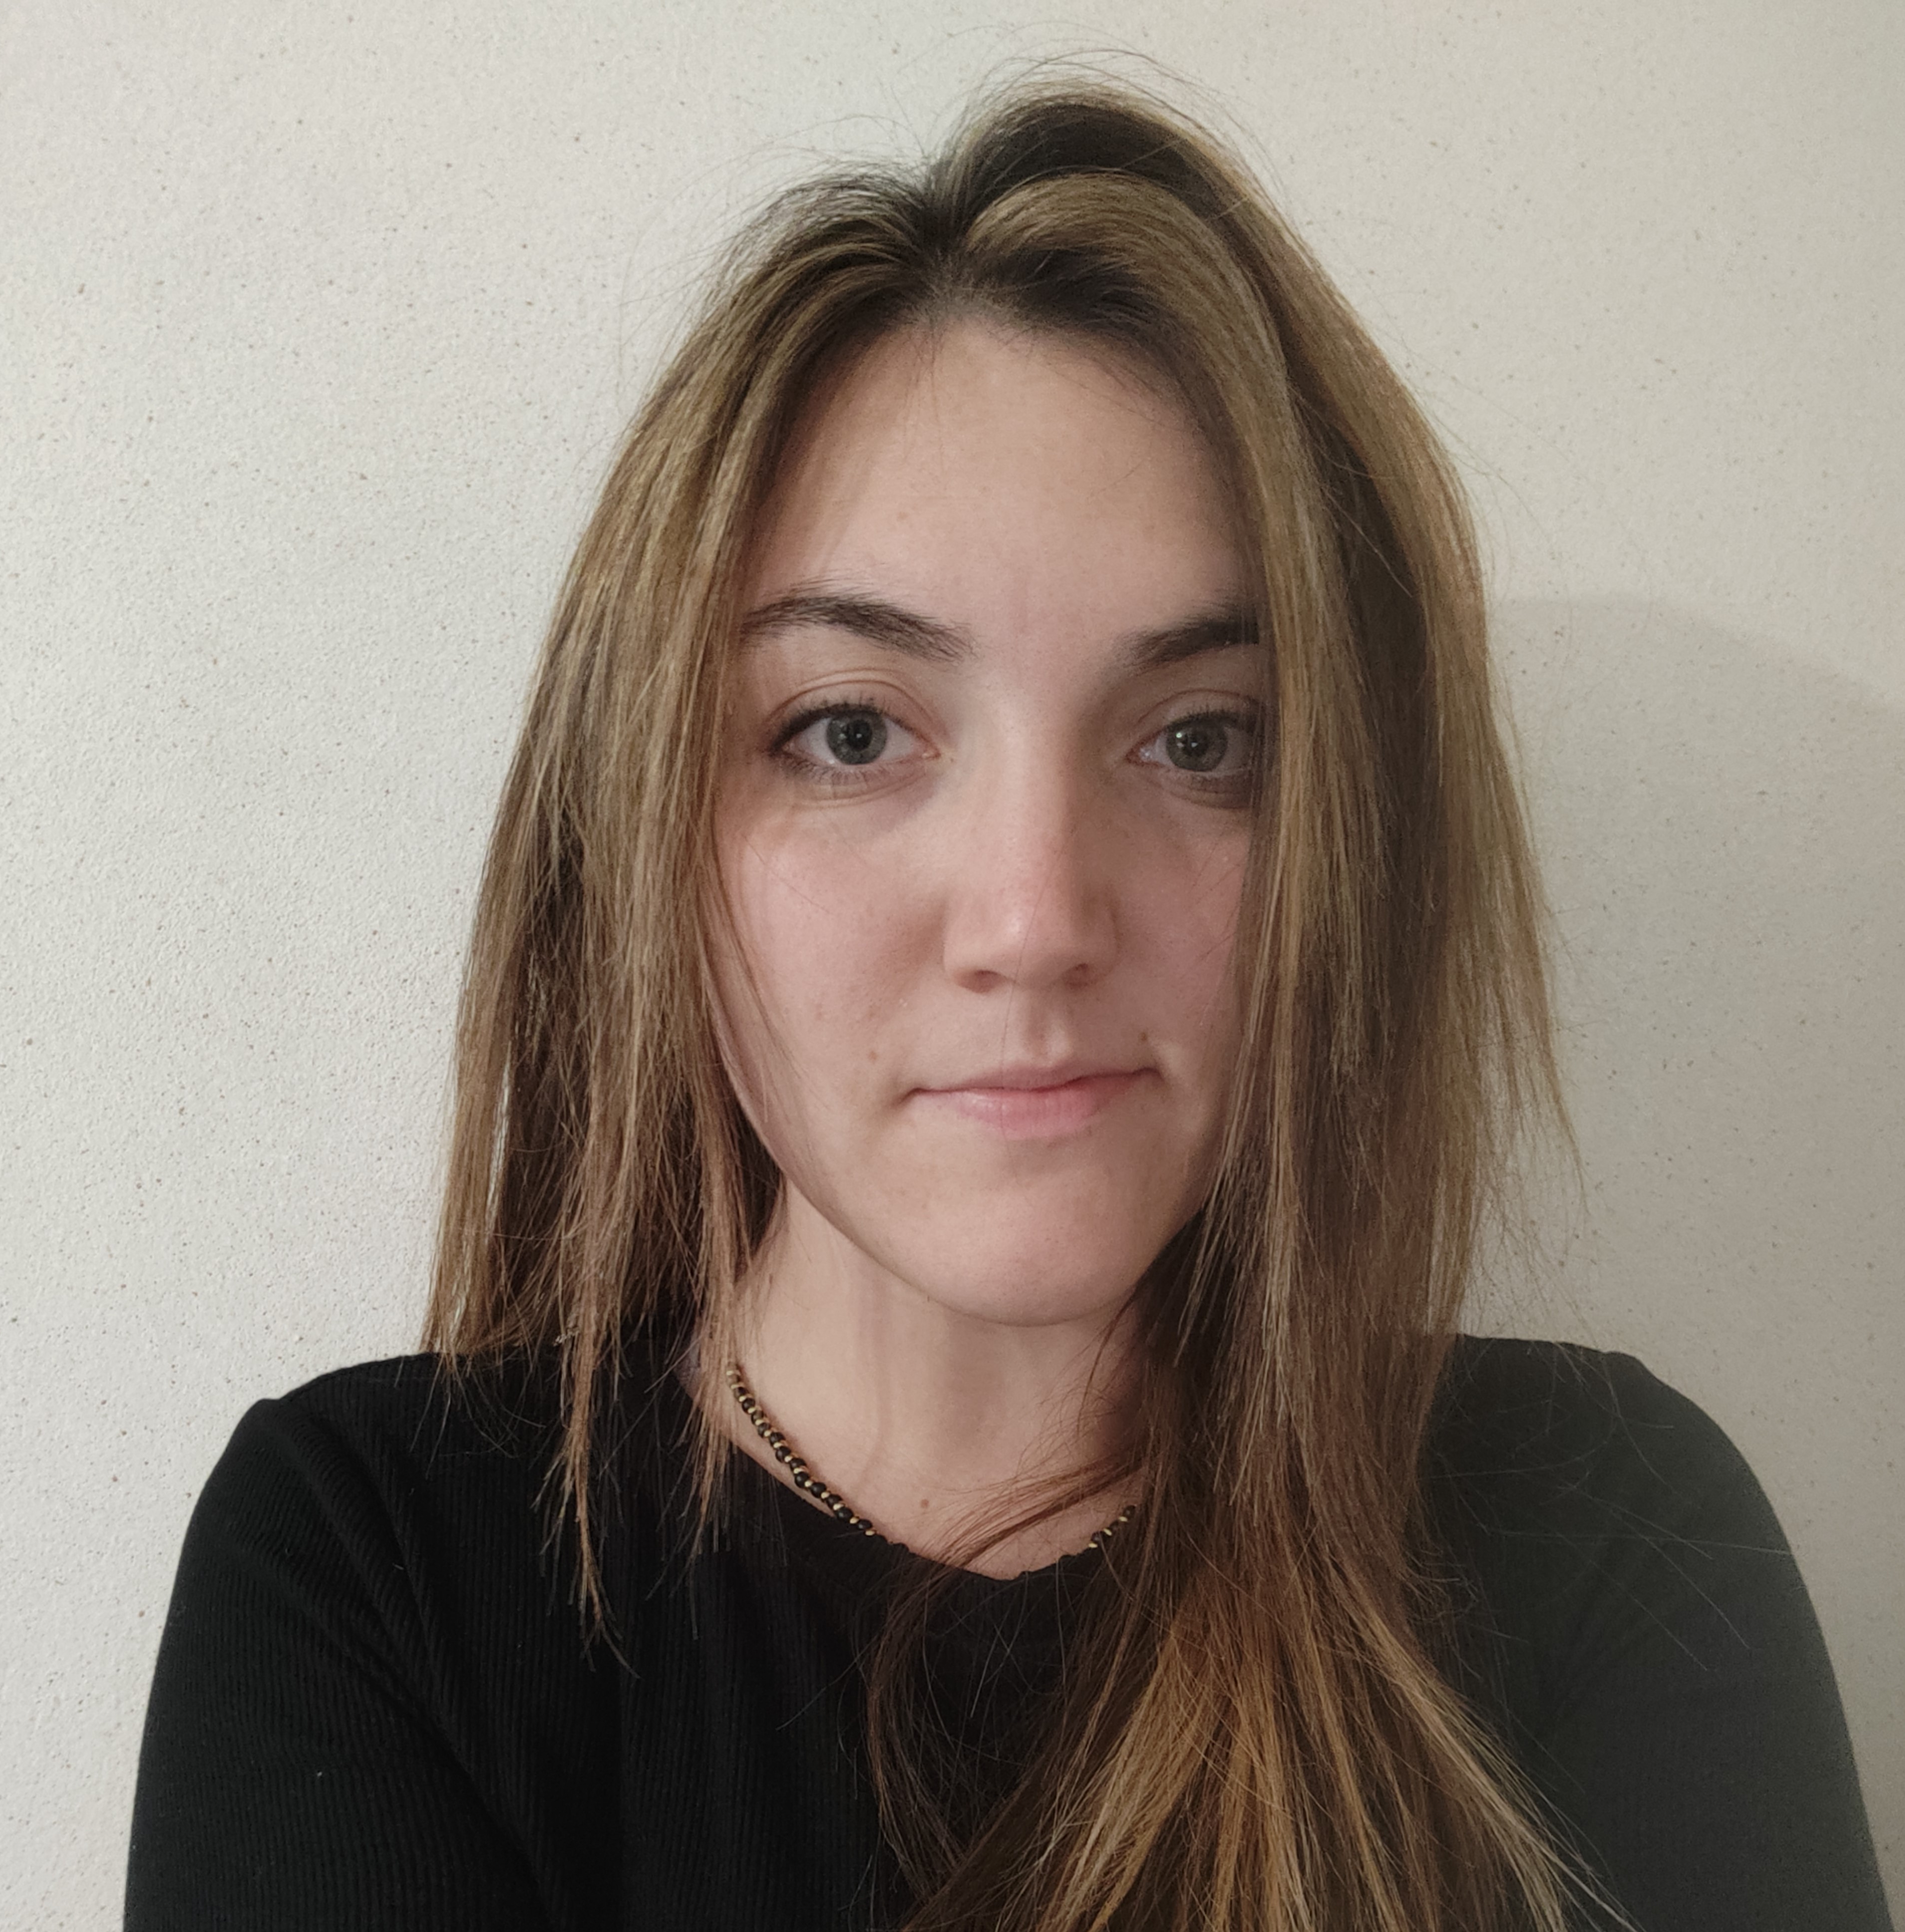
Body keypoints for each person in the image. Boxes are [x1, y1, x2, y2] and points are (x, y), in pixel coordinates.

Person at [124, 75, 1891, 1932]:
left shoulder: (1602, 1540)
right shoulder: (376, 1570)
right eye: (850, 732)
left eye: (1199, 741)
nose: (1037, 919)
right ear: (641, 831)